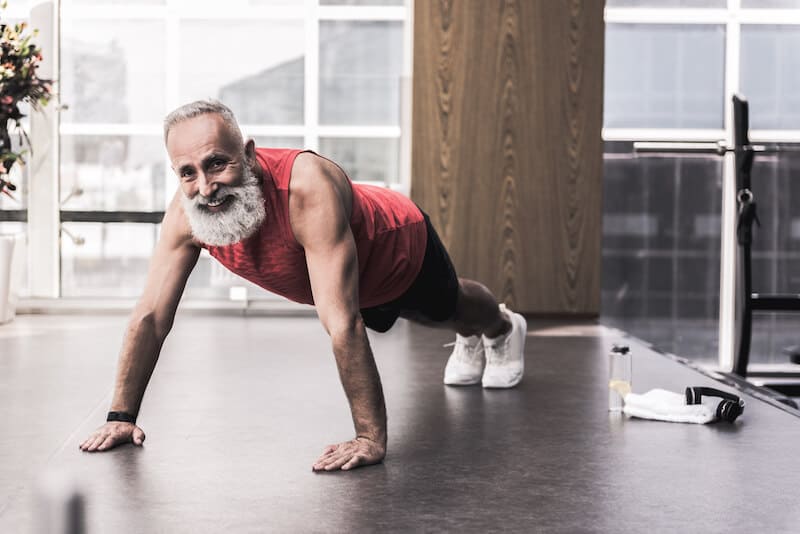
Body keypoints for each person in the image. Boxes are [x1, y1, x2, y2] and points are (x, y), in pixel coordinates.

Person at [78, 100, 527, 472]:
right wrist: (121, 417)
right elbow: (152, 316)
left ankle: (500, 329)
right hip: (347, 281)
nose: (206, 186)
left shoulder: (306, 186)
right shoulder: (186, 214)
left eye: (217, 163)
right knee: (419, 315)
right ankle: (473, 333)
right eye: (188, 172)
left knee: (448, 310)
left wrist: (369, 437)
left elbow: (342, 323)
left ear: (249, 155)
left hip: (396, 249)